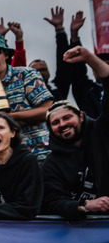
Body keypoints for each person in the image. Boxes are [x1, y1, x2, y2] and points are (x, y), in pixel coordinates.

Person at [42, 46, 109, 220]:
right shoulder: (51, 164)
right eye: (55, 122)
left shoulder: (102, 130)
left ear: (80, 116)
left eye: (66, 117)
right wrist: (84, 206)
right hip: (82, 233)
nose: (62, 124)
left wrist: (89, 58)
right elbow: (52, 202)